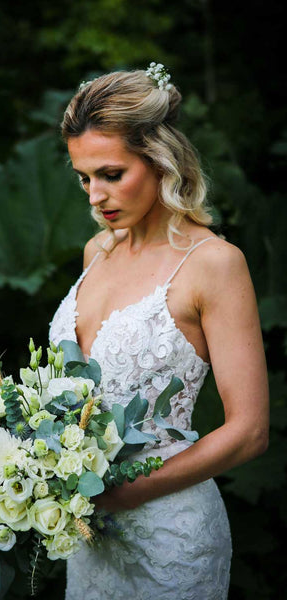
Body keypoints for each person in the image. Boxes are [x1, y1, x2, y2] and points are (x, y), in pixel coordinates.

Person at [48, 63, 269, 600]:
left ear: (160, 159)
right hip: (90, 537)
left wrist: (124, 493)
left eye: (111, 174)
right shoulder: (96, 252)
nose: (95, 196)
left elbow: (250, 431)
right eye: (84, 177)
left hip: (172, 538)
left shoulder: (213, 263)